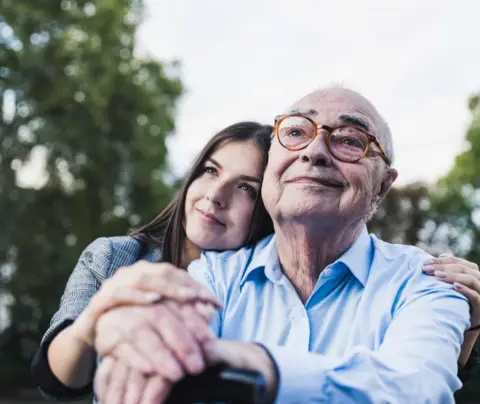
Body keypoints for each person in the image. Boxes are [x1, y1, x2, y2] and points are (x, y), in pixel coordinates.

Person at [91, 86, 480, 404]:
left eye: (349, 139)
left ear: (383, 184)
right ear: (272, 164)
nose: (313, 151)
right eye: (296, 132)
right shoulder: (214, 274)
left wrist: (261, 367)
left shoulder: (429, 281)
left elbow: (416, 389)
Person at [31, 121, 275, 399]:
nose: (215, 195)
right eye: (210, 171)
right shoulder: (112, 258)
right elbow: (54, 381)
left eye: (245, 187)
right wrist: (92, 324)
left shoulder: (268, 290)